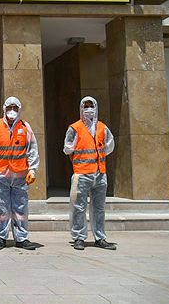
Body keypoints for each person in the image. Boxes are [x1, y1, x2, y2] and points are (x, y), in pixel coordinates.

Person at [0, 97, 39, 250]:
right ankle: (0, 237)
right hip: (1, 174)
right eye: (9, 107)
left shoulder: (25, 127)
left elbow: (32, 148)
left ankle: (21, 238)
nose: (12, 111)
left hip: (20, 174)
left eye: (15, 107)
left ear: (19, 109)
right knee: (2, 209)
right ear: (4, 109)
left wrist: (33, 169)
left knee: (20, 208)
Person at [64, 96, 116, 250]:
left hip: (100, 174)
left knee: (99, 208)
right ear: (81, 108)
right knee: (78, 207)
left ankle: (100, 237)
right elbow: (68, 149)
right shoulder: (75, 128)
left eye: (91, 105)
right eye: (85, 106)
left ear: (96, 107)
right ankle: (79, 237)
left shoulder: (102, 128)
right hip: (82, 174)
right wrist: (76, 166)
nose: (89, 109)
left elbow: (109, 147)